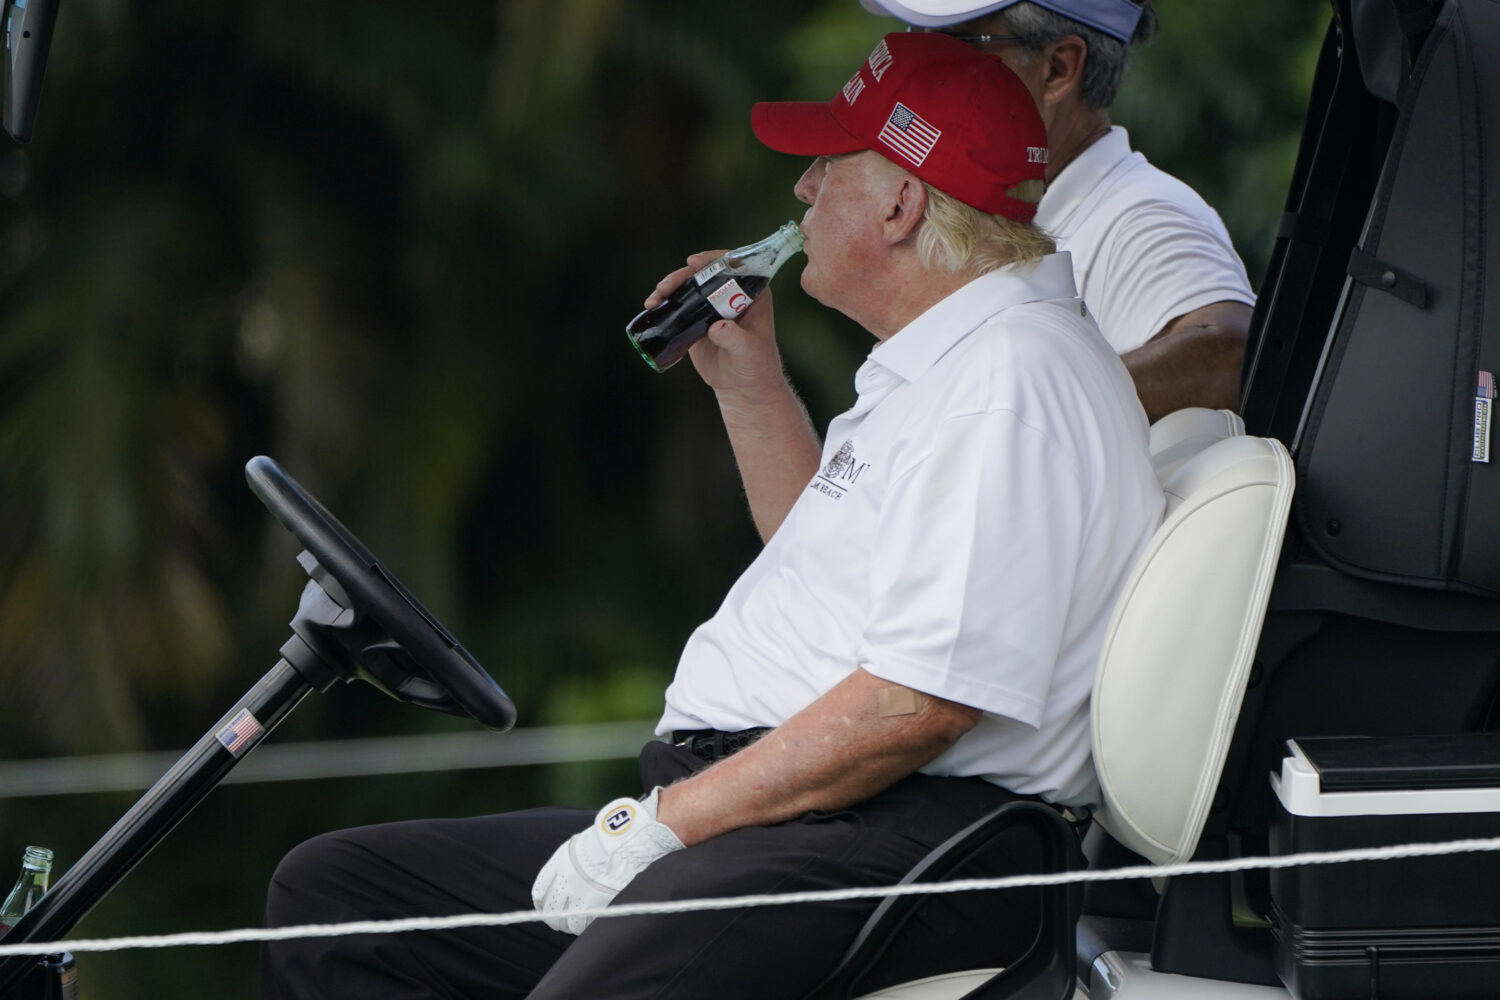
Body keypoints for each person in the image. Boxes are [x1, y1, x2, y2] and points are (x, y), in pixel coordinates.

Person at [259, 32, 1163, 1000]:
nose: (804, 190)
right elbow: (827, 570)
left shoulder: (1006, 382)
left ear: (902, 202)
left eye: (829, 165)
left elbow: (916, 706)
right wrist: (751, 385)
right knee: (337, 899)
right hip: (824, 817)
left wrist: (666, 822)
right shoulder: (957, 360)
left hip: (905, 834)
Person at [861, 0, 1257, 423]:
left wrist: (1000, 422)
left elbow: (1230, 354)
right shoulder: (1004, 212)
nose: (918, 71)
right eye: (913, 40)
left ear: (1058, 69)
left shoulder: (1143, 216)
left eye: (955, 45)